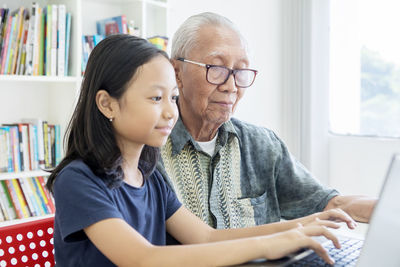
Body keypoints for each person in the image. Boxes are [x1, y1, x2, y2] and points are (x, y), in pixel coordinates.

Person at [46, 34, 354, 266]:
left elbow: (206, 237)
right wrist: (266, 246)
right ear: (106, 103)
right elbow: (143, 259)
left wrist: (299, 227)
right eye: (156, 99)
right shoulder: (78, 181)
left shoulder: (149, 177)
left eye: (173, 97)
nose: (171, 112)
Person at [156, 11, 376, 233]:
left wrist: (387, 208)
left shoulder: (262, 145)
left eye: (240, 71)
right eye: (217, 68)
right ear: (177, 73)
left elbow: (327, 203)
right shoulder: (150, 150)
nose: (231, 86)